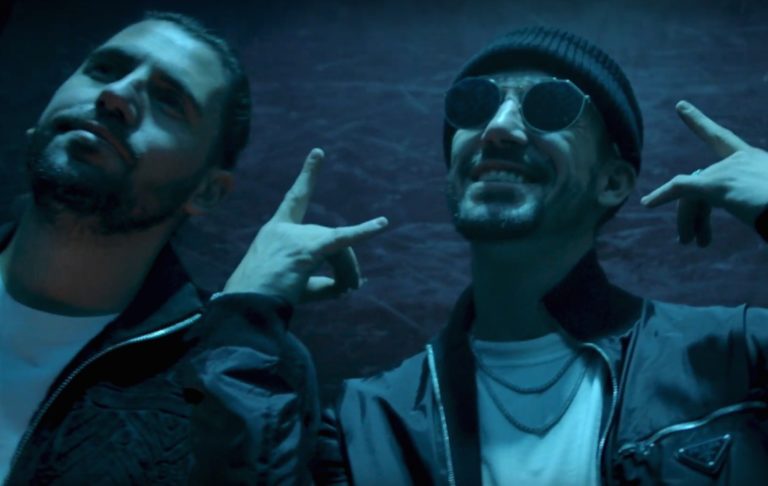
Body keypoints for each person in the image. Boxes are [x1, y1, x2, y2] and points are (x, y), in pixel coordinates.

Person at [314, 26, 768, 484]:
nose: (498, 128)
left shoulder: (736, 358)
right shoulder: (364, 423)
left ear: (612, 182)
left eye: (551, 105)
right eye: (475, 104)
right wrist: (262, 324)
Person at [0, 11, 387, 485]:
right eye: (104, 69)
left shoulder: (245, 362)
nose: (115, 94)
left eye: (168, 100)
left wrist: (242, 328)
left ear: (206, 192)